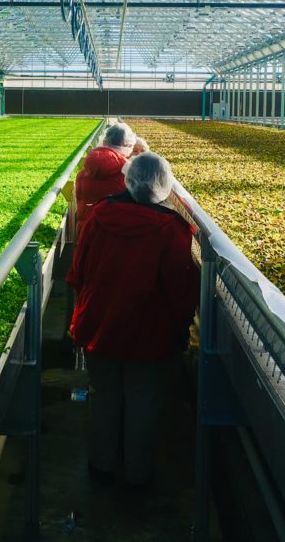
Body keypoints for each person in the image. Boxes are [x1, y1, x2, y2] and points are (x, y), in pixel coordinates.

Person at [66, 152, 200, 487]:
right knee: (142, 401)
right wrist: (181, 328)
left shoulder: (99, 217)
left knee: (104, 396)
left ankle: (101, 466)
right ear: (164, 187)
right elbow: (179, 290)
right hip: (148, 333)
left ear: (129, 179)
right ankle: (137, 473)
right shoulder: (172, 229)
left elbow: (78, 271)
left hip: (99, 327)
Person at [73, 123, 137, 226]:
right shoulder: (127, 173)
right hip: (112, 233)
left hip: (86, 231)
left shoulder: (84, 171)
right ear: (127, 145)